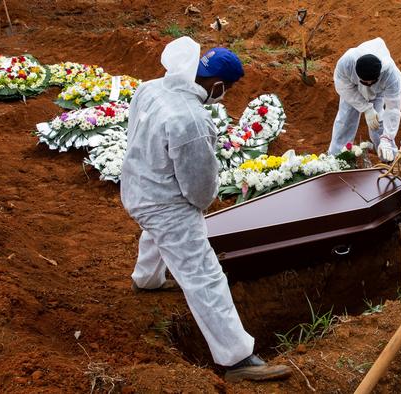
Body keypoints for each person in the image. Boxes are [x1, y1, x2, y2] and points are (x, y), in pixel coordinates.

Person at [120, 37, 291, 382]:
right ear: (216, 85)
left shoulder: (151, 88)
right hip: (165, 203)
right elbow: (198, 189)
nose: (223, 93)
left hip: (137, 185)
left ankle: (146, 280)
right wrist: (198, 206)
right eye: (226, 88)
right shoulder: (191, 120)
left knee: (156, 232)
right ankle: (237, 359)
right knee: (204, 275)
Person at [329, 37, 401, 163]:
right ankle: (337, 159)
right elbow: (343, 87)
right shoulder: (347, 63)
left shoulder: (391, 75)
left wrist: (387, 137)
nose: (367, 84)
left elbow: (393, 108)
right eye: (365, 81)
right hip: (353, 89)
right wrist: (366, 108)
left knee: (378, 122)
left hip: (377, 92)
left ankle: (390, 160)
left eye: (370, 82)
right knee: (345, 120)